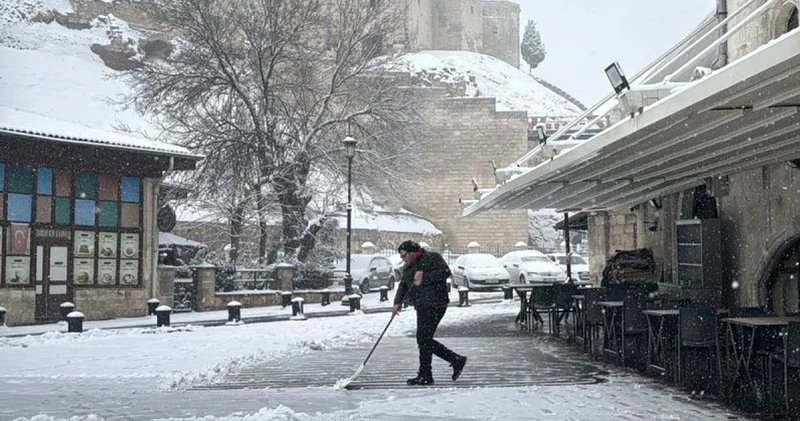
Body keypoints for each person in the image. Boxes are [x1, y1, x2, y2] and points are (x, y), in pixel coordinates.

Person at [392, 240, 467, 385]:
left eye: (404, 255)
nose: (402, 258)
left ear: (412, 252)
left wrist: (424, 277)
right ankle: (451, 362)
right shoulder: (408, 267)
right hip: (422, 305)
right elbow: (403, 284)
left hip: (436, 304)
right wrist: (397, 303)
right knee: (424, 339)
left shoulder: (432, 258)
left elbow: (445, 272)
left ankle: (428, 373)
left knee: (423, 339)